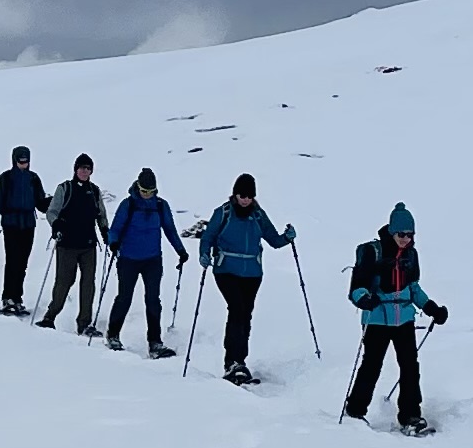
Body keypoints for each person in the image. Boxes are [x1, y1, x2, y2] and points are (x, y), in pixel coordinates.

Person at [344, 202, 447, 431]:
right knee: (372, 366)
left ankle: (411, 416)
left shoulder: (411, 255)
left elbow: (413, 287)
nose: (406, 239)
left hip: (404, 320)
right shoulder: (373, 252)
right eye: (402, 234)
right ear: (392, 232)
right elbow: (357, 287)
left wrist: (431, 307)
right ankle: (355, 411)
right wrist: (364, 299)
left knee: (410, 367)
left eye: (410, 235)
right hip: (377, 319)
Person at [197, 175, 296, 383]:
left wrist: (287, 238)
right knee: (237, 309)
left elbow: (273, 240)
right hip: (226, 270)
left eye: (250, 196)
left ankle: (239, 361)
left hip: (252, 273)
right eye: (242, 195)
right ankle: (232, 362)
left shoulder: (258, 215)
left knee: (245, 314)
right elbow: (208, 237)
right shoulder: (223, 212)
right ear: (235, 194)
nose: (245, 200)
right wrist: (204, 254)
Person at [106, 168, 185, 352]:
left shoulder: (160, 206)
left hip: (152, 260)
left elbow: (170, 229)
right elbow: (115, 228)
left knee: (153, 300)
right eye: (144, 191)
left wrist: (180, 250)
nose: (147, 195)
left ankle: (155, 342)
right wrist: (113, 243)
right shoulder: (128, 204)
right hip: (128, 259)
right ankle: (113, 335)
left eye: (151, 191)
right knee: (124, 297)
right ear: (138, 187)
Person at [40, 157, 107, 333]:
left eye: (88, 168)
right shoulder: (65, 188)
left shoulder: (94, 191)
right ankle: (50, 316)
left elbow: (101, 214)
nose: (85, 171)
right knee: (64, 282)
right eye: (82, 168)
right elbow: (52, 211)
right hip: (67, 244)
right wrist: (56, 225)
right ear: (76, 169)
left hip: (88, 245)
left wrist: (105, 231)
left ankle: (84, 323)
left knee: (88, 284)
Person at [0, 146, 50, 314]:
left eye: (25, 161)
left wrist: (53, 201)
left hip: (28, 224)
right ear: (14, 160)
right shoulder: (6, 178)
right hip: (11, 223)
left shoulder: (33, 178)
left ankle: (17, 298)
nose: (23, 164)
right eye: (20, 161)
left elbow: (40, 204)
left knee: (22, 263)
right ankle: (8, 298)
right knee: (13, 260)